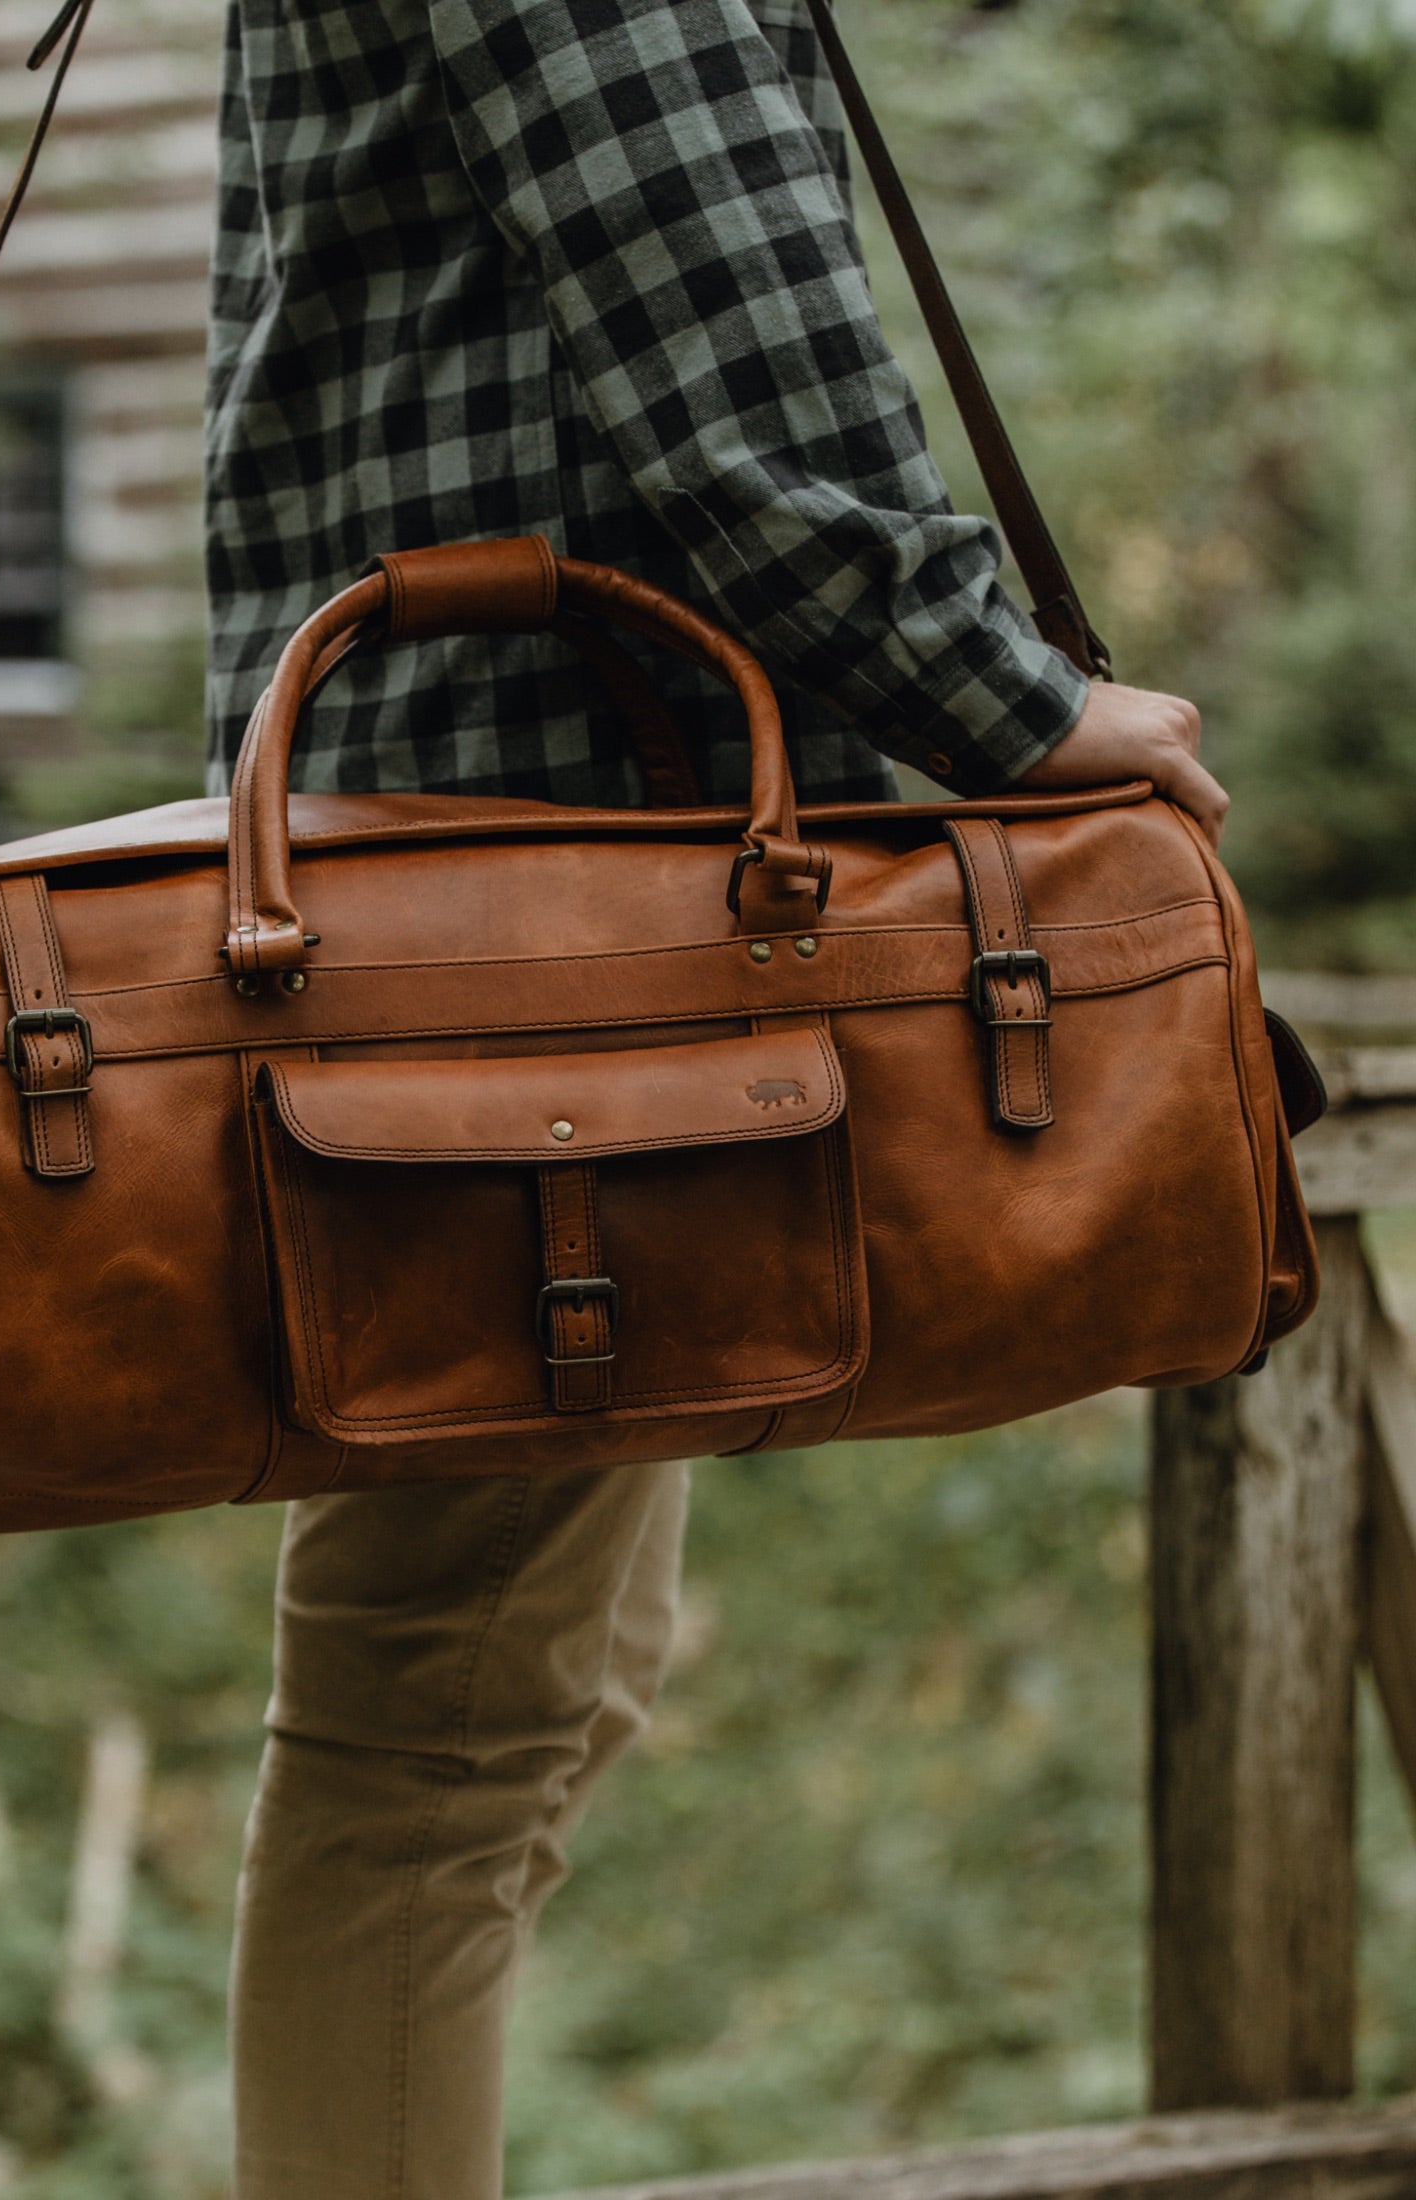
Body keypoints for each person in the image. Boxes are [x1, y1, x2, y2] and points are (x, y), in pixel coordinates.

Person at [202, 0, 1228, 2191]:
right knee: (441, 1726)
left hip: (510, 869)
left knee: (521, 1679)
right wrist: (1011, 696)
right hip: (552, 894)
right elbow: (726, 324)